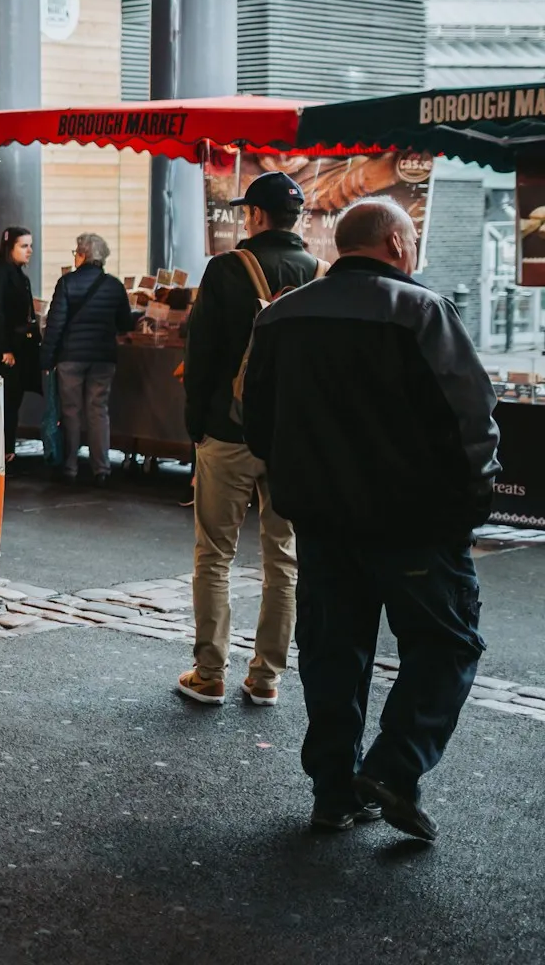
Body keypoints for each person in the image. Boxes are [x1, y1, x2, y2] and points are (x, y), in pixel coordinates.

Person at [243, 199, 497, 841]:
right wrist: (471, 503)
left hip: (322, 521)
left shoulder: (280, 316)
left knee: (334, 653)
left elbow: (254, 418)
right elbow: (472, 421)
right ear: (394, 242)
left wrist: (303, 479)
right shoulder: (421, 311)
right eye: (411, 240)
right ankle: (393, 767)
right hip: (414, 523)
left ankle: (333, 791)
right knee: (445, 646)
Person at [177, 172, 326, 709]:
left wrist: (197, 427)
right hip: (289, 439)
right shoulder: (321, 274)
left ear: (257, 215)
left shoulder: (225, 270)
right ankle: (266, 677)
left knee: (214, 555)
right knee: (282, 558)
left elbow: (203, 358)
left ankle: (209, 671)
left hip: (230, 430)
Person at [39, 232, 134, 485]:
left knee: (71, 411)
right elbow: (125, 323)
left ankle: (70, 467)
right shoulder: (114, 285)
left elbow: (55, 325)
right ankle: (101, 468)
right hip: (103, 357)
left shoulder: (67, 283)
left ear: (82, 255)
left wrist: (46, 359)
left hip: (71, 357)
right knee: (98, 410)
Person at [0, 227, 40, 463]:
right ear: (9, 247)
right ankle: (2, 452)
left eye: (30, 245)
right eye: (23, 246)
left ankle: (6, 451)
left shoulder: (17, 276)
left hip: (16, 351)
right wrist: (4, 348)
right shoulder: (1, 275)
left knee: (11, 403)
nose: (29, 251)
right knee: (5, 404)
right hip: (5, 353)